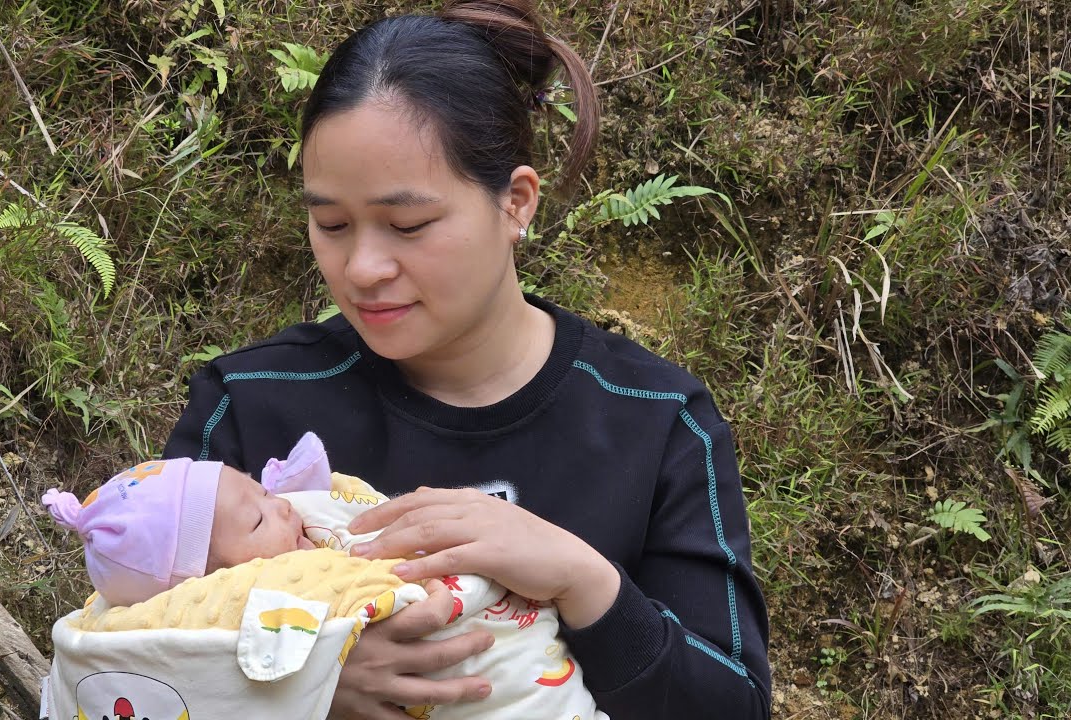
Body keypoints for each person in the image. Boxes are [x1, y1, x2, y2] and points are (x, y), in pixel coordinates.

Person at [161, 0, 772, 717]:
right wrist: (298, 687)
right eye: (331, 223)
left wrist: (585, 582)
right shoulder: (252, 400)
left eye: (408, 224)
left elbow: (734, 705)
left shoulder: (656, 421)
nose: (362, 268)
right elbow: (119, 662)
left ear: (516, 203)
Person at [42, 433, 608, 719]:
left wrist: (584, 579)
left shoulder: (309, 520)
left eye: (264, 492)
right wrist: (309, 682)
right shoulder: (257, 591)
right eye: (259, 518)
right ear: (206, 582)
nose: (284, 507)